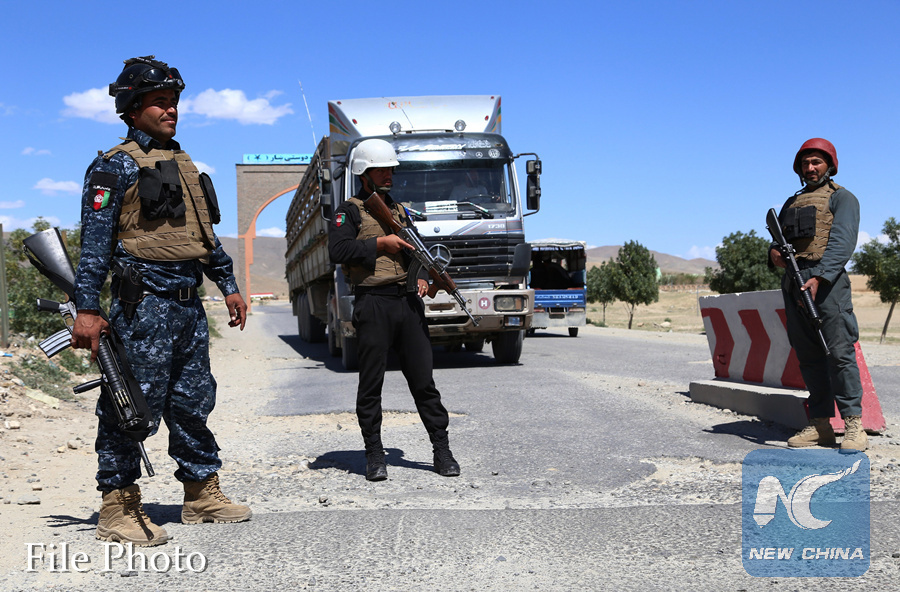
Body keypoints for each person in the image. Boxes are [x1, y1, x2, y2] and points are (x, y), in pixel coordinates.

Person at [71, 56, 251, 546]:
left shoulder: (184, 165)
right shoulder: (113, 166)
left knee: (193, 400)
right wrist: (87, 309)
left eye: (173, 101)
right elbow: (95, 245)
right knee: (131, 404)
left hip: (188, 305)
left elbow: (203, 237)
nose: (170, 110)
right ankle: (117, 505)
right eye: (158, 102)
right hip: (143, 306)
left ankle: (200, 494)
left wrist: (228, 284)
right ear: (133, 109)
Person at [328, 138, 460, 481]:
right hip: (373, 303)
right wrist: (379, 243)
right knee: (371, 384)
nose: (388, 175)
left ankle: (442, 450)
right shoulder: (349, 211)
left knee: (424, 382)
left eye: (391, 170)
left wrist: (425, 278)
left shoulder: (400, 210)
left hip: (407, 303)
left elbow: (417, 252)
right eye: (381, 170)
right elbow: (338, 250)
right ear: (364, 174)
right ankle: (374, 454)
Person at [769, 138, 867, 451]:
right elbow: (780, 240)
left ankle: (853, 425)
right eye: (805, 163)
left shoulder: (843, 198)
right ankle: (821, 425)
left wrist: (820, 277)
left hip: (827, 284)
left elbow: (842, 244)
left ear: (829, 165)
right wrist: (773, 253)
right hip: (794, 281)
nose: (810, 168)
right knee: (808, 356)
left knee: (839, 353)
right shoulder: (792, 202)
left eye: (816, 162)